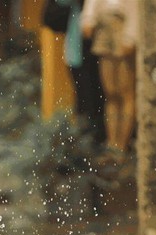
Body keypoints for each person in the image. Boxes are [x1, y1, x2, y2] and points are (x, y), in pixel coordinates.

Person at [81, 0, 138, 160]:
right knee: (110, 92)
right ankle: (112, 143)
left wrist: (130, 36)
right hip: (104, 28)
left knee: (125, 92)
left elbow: (135, 9)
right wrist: (88, 19)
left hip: (122, 27)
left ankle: (122, 145)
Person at [61, 0, 106, 145]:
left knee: (99, 98)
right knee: (84, 98)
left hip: (98, 49)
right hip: (79, 49)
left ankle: (96, 139)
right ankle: (86, 141)